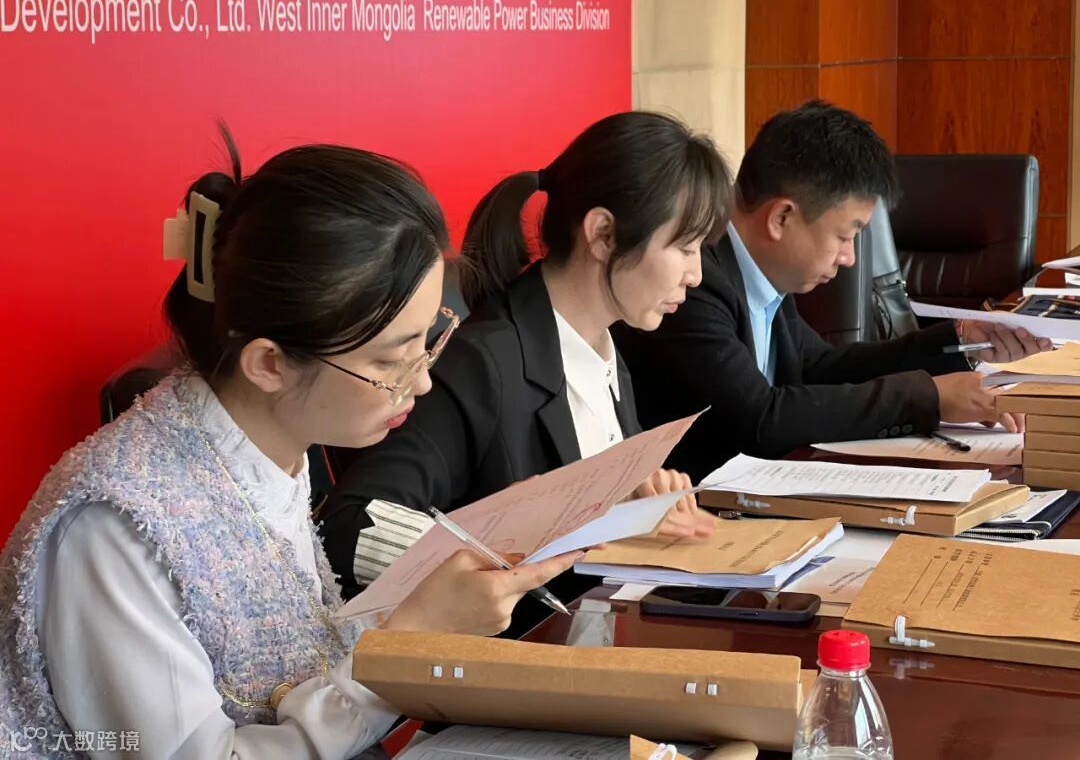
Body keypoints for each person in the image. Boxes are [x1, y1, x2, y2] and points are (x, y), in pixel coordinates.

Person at [0, 133, 581, 759]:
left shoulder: (264, 449)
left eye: (429, 339)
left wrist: (422, 614)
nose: (422, 381)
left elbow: (293, 660)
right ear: (270, 364)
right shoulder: (116, 525)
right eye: (391, 360)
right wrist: (406, 642)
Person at [319, 111, 734, 621]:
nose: (696, 274)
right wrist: (505, 542)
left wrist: (633, 506)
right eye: (685, 248)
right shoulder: (483, 363)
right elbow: (351, 525)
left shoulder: (606, 349)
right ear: (603, 233)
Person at [612, 100, 1053, 481]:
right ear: (781, 218)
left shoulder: (759, 272)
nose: (849, 259)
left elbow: (820, 366)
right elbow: (759, 418)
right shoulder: (694, 284)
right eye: (845, 236)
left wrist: (958, 342)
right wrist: (931, 397)